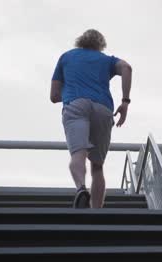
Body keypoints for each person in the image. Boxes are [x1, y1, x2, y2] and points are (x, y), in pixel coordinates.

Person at [50, 29, 132, 209]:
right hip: (103, 108)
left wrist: (72, 91)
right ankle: (96, 211)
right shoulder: (106, 60)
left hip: (76, 104)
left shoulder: (66, 57)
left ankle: (81, 189)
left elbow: (54, 95)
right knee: (97, 166)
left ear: (80, 41)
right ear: (100, 45)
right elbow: (127, 68)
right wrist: (125, 102)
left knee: (78, 155)